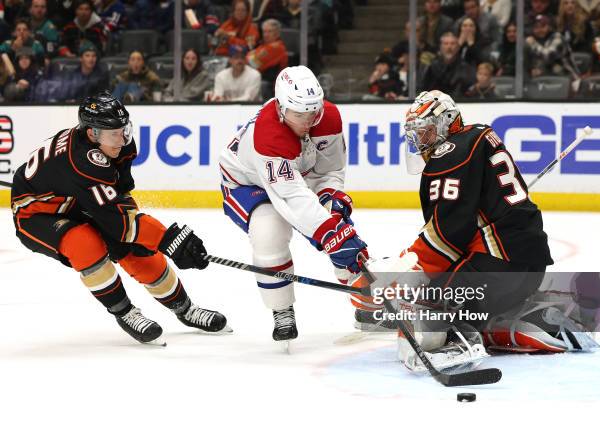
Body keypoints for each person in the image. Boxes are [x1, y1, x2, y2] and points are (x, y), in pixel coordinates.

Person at [391, 90, 589, 370]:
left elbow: (447, 236)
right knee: (441, 293)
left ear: (448, 122)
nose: (421, 141)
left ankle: (500, 327)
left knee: (422, 305)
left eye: (426, 132)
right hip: (526, 267)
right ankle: (529, 314)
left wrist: (407, 269)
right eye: (416, 134)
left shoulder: (450, 153)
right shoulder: (480, 137)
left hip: (497, 269)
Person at [10, 92, 228, 344]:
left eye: (124, 129)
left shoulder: (117, 144)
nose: (122, 138)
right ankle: (124, 312)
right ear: (92, 134)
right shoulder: (83, 161)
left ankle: (185, 309)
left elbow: (120, 199)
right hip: (36, 212)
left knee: (136, 249)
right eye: (114, 133)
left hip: (76, 198)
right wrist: (166, 238)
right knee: (85, 243)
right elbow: (121, 221)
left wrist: (154, 239)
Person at [218, 66, 369, 343]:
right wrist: (328, 234)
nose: (307, 122)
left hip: (295, 174)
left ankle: (367, 305)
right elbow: (291, 199)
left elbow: (330, 170)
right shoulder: (268, 135)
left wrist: (331, 198)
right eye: (299, 114)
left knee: (340, 226)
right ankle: (281, 308)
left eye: (313, 113)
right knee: (269, 233)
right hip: (247, 183)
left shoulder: (328, 117)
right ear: (280, 108)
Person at [421, 32, 476, 98]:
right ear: (441, 47)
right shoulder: (432, 68)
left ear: (458, 47)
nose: (449, 47)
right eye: (446, 44)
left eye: (452, 44)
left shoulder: (466, 68)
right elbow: (425, 90)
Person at [246, 18, 288, 84]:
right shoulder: (264, 45)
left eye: (269, 31)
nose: (266, 35)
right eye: (264, 32)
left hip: (269, 85)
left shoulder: (276, 47)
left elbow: (254, 65)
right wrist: (251, 56)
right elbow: (250, 59)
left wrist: (251, 55)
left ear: (277, 33)